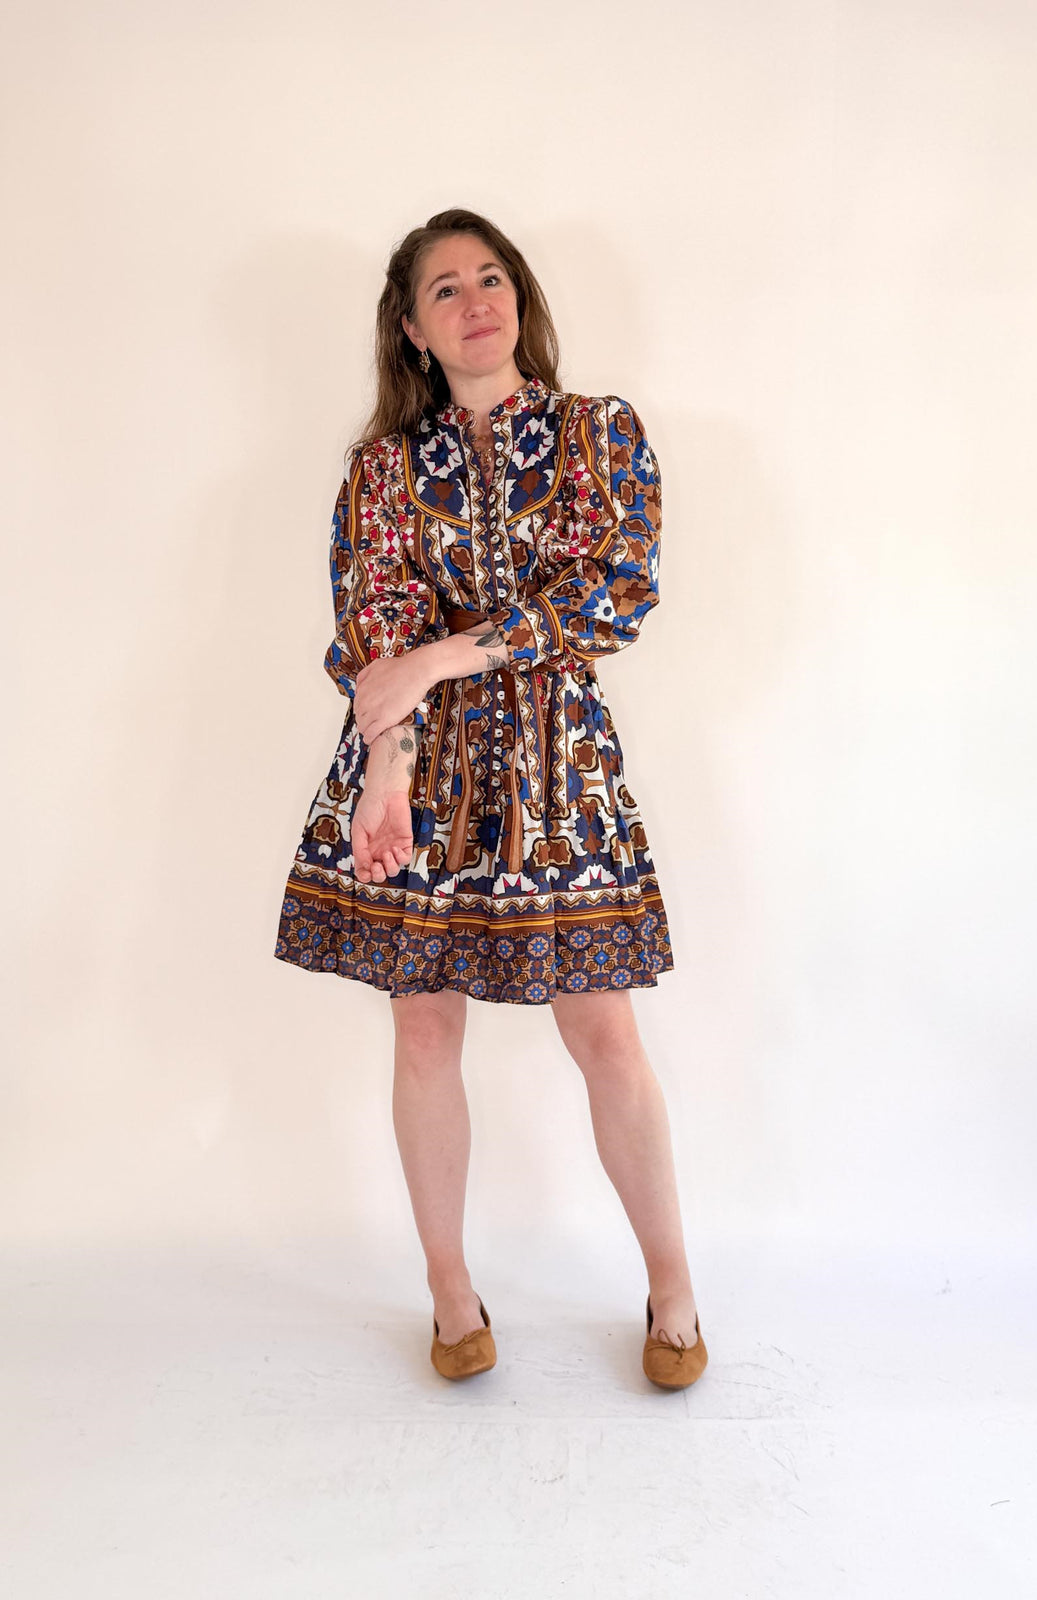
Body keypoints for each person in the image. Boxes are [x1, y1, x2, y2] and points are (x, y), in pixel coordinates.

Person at [274, 208, 706, 1388]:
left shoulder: (597, 432)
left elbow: (614, 591)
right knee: (424, 1025)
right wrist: (389, 769)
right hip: (419, 764)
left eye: (491, 277)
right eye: (445, 289)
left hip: (556, 765)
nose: (476, 301)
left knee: (602, 1026)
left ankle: (672, 1282)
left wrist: (446, 655)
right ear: (412, 331)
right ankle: (450, 1290)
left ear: (519, 297)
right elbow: (378, 633)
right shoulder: (382, 471)